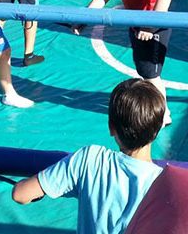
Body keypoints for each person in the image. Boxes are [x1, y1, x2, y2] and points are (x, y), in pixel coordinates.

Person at [12, 78, 164, 233]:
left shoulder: (90, 159)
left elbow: (21, 194)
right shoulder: (164, 184)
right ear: (158, 129)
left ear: (111, 127)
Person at [73, 0, 174, 126]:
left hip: (153, 26)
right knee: (145, 71)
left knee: (152, 76)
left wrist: (149, 26)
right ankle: (162, 111)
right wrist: (86, 16)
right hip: (137, 24)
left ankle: (162, 115)